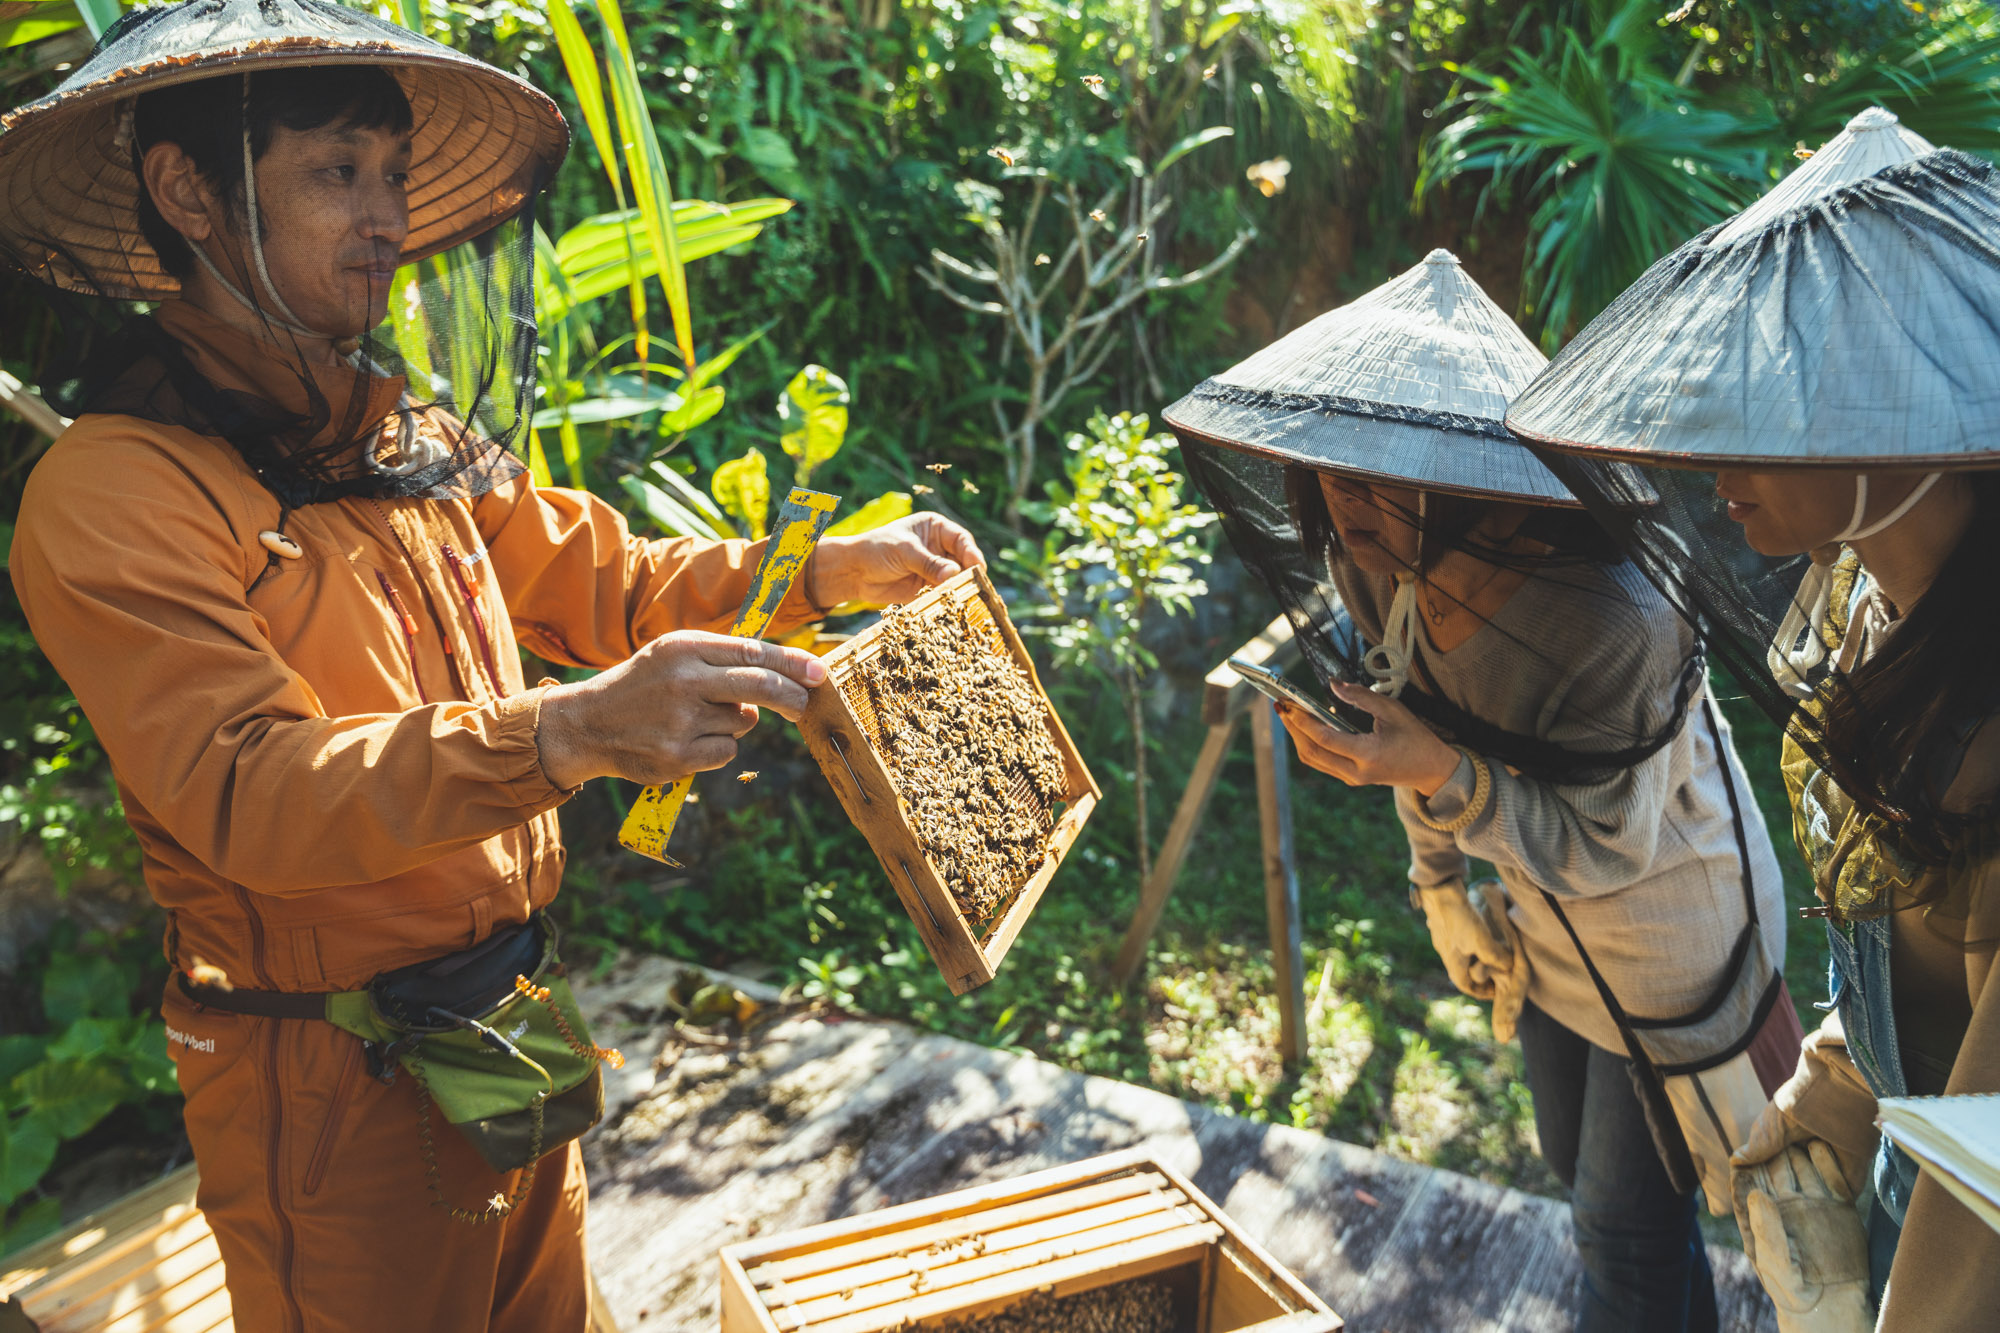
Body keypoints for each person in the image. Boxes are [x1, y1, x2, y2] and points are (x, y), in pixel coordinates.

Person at [1, 3, 980, 1330]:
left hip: (509, 994)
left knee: (549, 1297)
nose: (385, 217)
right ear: (188, 194)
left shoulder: (397, 430)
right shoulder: (114, 491)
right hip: (326, 1058)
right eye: (334, 173)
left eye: (394, 175)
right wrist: (563, 737)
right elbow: (247, 788)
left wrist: (819, 570)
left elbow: (614, 585)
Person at [1169, 251, 1794, 1333]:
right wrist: (1437, 880)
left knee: (1618, 1225)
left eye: (1378, 476)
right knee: (1577, 1171)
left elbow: (1604, 845)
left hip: (1665, 922)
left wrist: (1439, 778)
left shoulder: (1614, 617)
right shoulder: (1375, 554)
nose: (1342, 503)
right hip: (1537, 919)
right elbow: (1407, 711)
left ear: (1467, 478)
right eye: (1331, 467)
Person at [1509, 108, 2000, 1330]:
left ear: (1901, 422)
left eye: (1769, 403)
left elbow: (1991, 1135)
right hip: (1904, 1178)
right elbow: (1897, 949)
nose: (1712, 452)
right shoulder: (1859, 610)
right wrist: (1826, 1102)